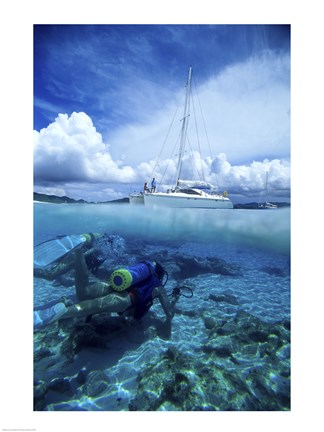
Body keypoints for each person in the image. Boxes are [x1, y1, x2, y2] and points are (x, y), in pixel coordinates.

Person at [34, 246, 179, 330]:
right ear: (160, 276)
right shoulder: (159, 287)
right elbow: (169, 314)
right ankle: (62, 312)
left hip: (110, 286)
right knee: (95, 306)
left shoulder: (139, 272)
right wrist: (174, 300)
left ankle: (79, 253)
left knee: (83, 291)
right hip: (125, 298)